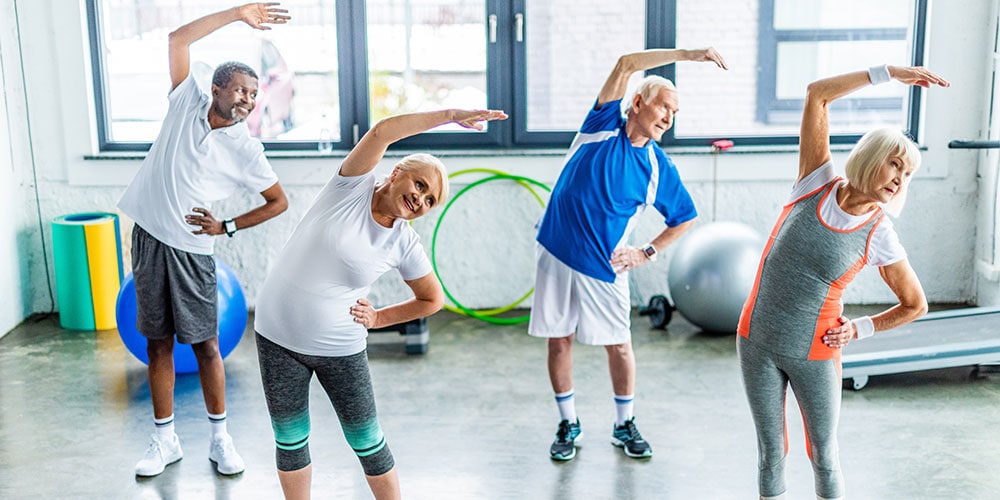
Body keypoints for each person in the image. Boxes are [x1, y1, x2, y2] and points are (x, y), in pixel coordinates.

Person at [253, 108, 508, 500]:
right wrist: (452, 115)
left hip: (339, 348)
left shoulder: (403, 243)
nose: (420, 198)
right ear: (396, 172)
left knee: (368, 441)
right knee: (289, 439)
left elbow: (431, 300)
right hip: (276, 337)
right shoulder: (350, 187)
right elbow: (384, 131)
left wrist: (377, 319)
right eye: (419, 184)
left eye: (429, 199)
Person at [736, 64, 949, 500]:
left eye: (907, 175)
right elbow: (816, 94)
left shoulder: (880, 232)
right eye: (895, 164)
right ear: (873, 156)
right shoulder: (815, 181)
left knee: (824, 455)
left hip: (814, 353)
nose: (899, 180)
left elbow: (915, 304)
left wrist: (861, 327)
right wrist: (886, 72)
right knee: (769, 452)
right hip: (754, 339)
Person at [528, 48, 728, 461]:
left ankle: (624, 424)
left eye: (676, 113)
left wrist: (646, 252)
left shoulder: (658, 167)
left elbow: (684, 217)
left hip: (605, 266)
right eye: (664, 107)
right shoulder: (601, 125)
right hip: (556, 251)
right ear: (637, 103)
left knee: (619, 346)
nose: (670, 118)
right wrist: (690, 54)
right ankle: (568, 422)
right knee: (558, 341)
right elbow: (624, 63)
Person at [118, 3, 291, 477]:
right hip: (151, 240)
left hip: (195, 254)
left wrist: (227, 226)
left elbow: (279, 202)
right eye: (240, 89)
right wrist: (238, 14)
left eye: (255, 95)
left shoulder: (246, 149)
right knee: (156, 343)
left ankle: (220, 440)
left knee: (207, 347)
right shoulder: (185, 101)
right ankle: (164, 440)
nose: (248, 100)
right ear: (215, 89)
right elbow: (176, 39)